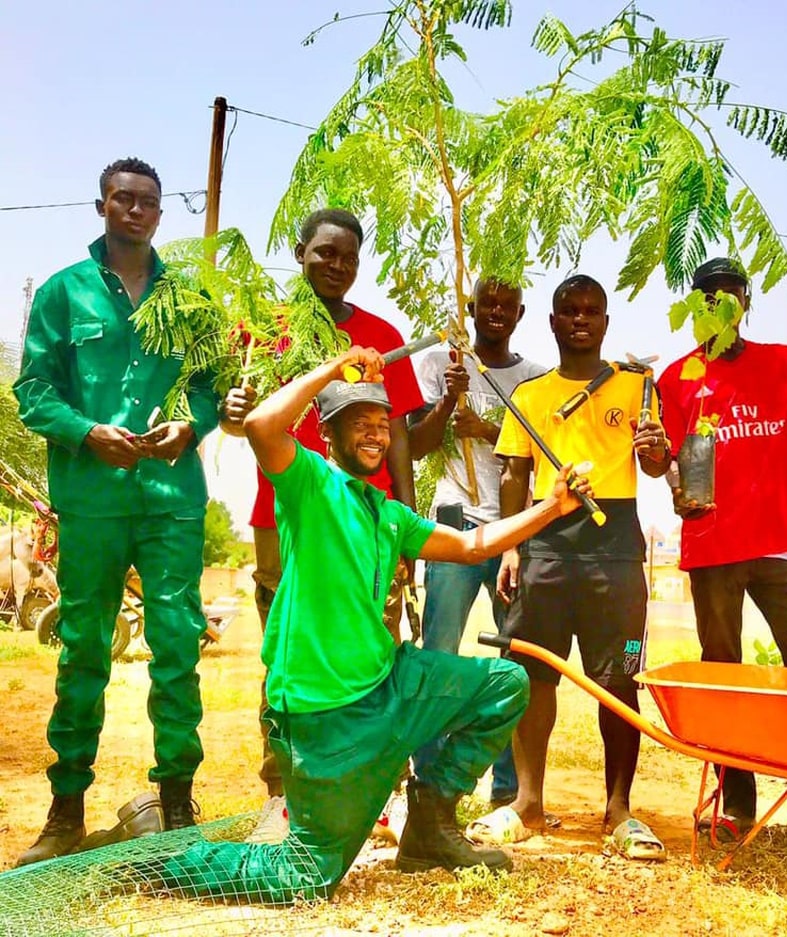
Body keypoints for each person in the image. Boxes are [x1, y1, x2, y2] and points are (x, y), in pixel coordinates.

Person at [139, 347, 592, 903]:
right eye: (361, 424)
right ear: (328, 432)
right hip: (324, 718)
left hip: (389, 687)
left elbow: (473, 545)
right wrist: (333, 370)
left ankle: (428, 825)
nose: (376, 435)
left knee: (504, 685)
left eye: (382, 425)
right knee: (304, 878)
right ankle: (165, 859)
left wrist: (554, 505)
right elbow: (260, 425)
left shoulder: (387, 513)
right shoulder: (309, 484)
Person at [14, 158, 223, 865]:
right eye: (122, 199)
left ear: (162, 214)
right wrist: (85, 432)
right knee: (81, 653)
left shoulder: (191, 300)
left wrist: (190, 426)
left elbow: (216, 386)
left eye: (148, 202)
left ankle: (177, 808)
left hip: (170, 500)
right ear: (101, 206)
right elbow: (34, 391)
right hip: (93, 501)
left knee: (175, 649)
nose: (135, 211)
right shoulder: (64, 295)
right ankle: (65, 812)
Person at [656, 256, 787, 858]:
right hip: (713, 546)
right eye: (708, 297)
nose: (720, 306)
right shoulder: (675, 379)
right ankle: (735, 806)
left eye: (731, 295)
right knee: (723, 672)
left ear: (746, 303)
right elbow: (666, 458)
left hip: (783, 546)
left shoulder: (780, 362)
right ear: (693, 305)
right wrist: (671, 483)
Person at [221, 209, 424, 811]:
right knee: (288, 651)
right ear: (299, 251)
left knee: (376, 646)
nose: (337, 266)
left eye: (349, 257)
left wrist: (407, 527)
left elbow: (403, 435)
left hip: (370, 520)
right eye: (324, 253)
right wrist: (231, 414)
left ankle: (379, 788)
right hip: (283, 521)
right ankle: (284, 791)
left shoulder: (383, 338)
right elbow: (243, 421)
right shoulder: (260, 328)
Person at [468, 274, 671, 859]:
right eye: (569, 311)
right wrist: (510, 548)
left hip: (616, 548)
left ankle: (619, 811)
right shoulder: (530, 394)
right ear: (552, 322)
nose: (581, 319)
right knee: (533, 674)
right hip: (545, 546)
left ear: (606, 323)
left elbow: (657, 466)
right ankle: (527, 802)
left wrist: (655, 452)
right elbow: (511, 474)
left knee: (620, 679)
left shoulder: (637, 387)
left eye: (592, 311)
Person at [408, 278, 546, 807]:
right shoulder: (443, 363)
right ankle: (430, 783)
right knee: (437, 654)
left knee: (516, 657)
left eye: (505, 305)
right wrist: (447, 405)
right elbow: (419, 446)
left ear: (519, 313)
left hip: (514, 528)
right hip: (454, 521)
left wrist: (486, 428)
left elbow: (538, 452)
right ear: (470, 308)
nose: (495, 312)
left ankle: (507, 791)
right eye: (485, 302)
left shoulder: (534, 377)